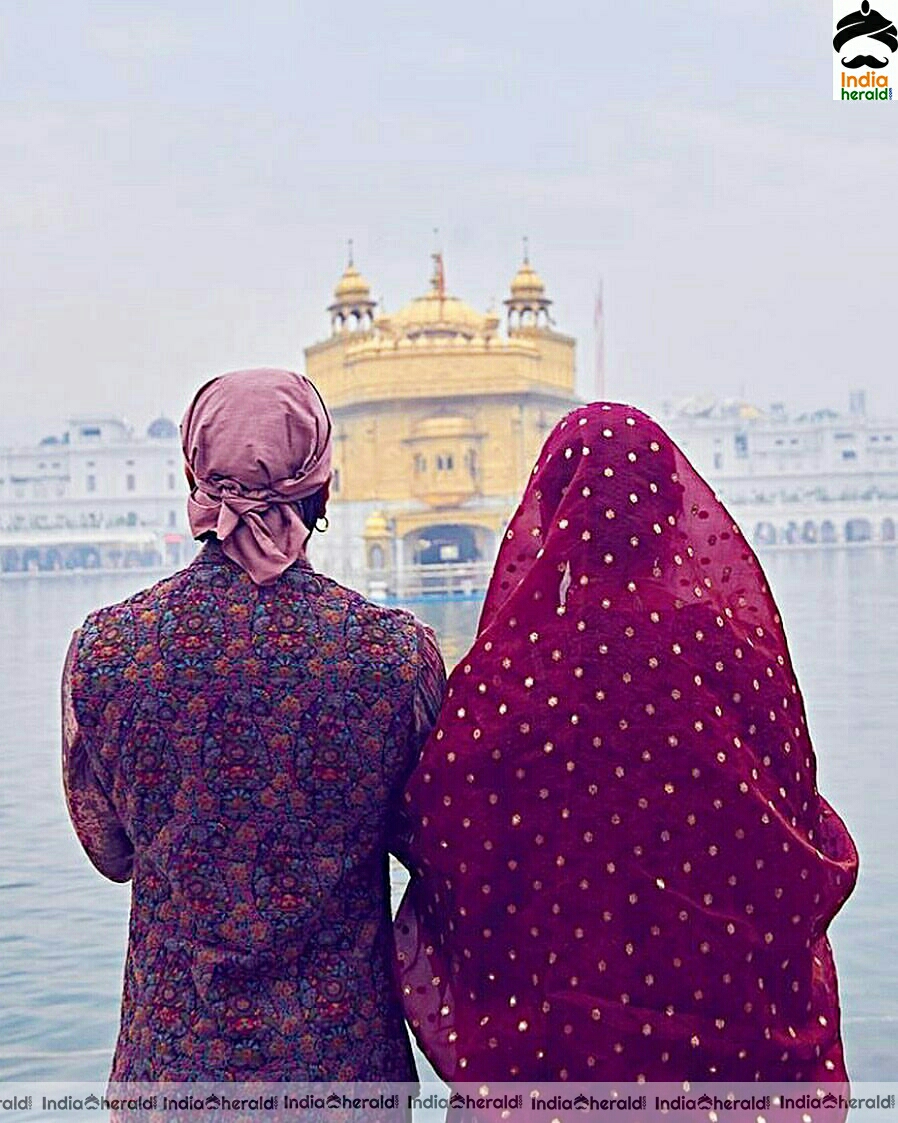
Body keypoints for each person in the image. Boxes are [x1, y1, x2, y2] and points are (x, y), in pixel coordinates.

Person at [395, 402, 857, 1085]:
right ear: (670, 511)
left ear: (550, 510)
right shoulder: (732, 656)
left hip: (556, 1055)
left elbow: (441, 831)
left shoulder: (512, 673)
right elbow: (792, 827)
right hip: (727, 1051)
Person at [62, 368, 446, 1085]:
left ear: (197, 481)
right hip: (342, 1067)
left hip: (173, 1065)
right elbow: (430, 844)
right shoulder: (393, 656)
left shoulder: (107, 650)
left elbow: (110, 849)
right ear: (322, 485)